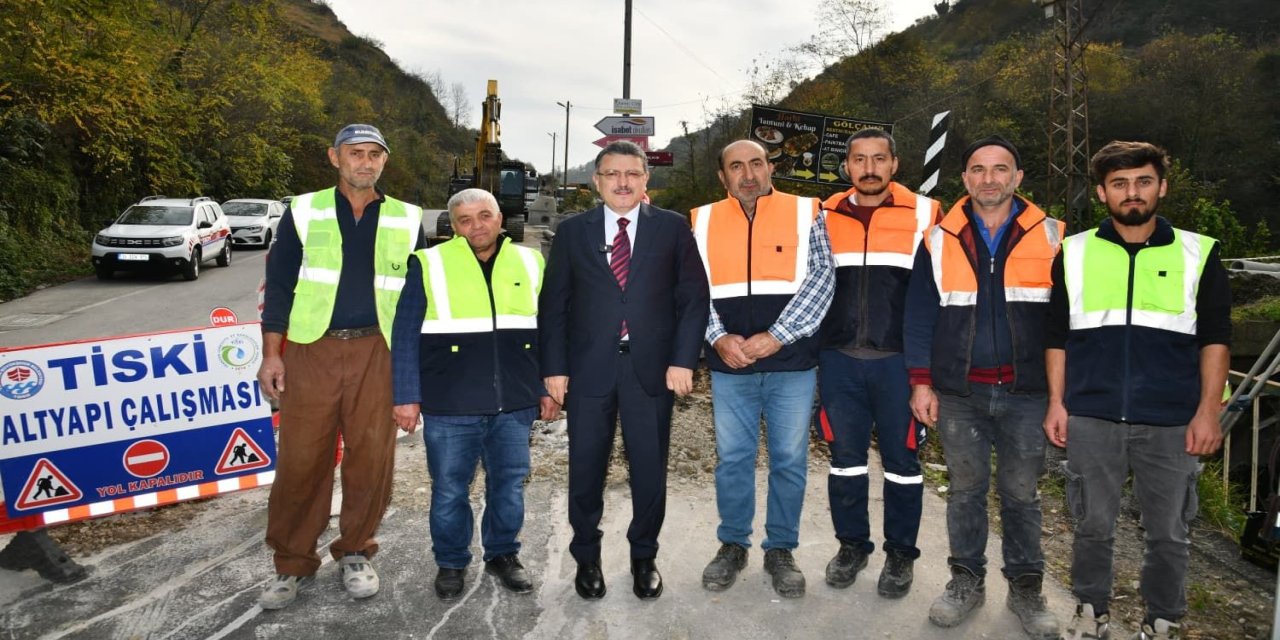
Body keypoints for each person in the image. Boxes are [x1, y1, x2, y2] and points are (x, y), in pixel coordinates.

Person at [1045, 141, 1231, 640]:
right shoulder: (1074, 251)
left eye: (1143, 181)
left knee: (1169, 532)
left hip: (1172, 418)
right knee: (1091, 524)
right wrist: (1058, 403)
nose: (1133, 193)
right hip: (1093, 413)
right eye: (1120, 184)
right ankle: (1089, 611)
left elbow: (1215, 341)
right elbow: (1057, 338)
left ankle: (1163, 618)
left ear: (1161, 187)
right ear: (1103, 192)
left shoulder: (1200, 252)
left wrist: (1207, 412)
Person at [256, 124, 424, 610]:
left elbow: (415, 298)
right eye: (355, 153)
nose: (365, 162)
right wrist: (272, 353)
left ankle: (355, 550)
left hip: (379, 351)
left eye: (374, 154)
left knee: (372, 458)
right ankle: (291, 562)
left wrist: (412, 370)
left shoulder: (406, 217)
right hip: (311, 350)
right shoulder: (304, 210)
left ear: (384, 162)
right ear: (334, 158)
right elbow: (280, 284)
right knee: (302, 459)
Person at [904, 135, 1062, 638]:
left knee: (1021, 492)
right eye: (978, 169)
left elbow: (1069, 322)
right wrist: (922, 382)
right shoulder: (937, 238)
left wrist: (1063, 393)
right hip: (959, 392)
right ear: (965, 178)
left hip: (1027, 391)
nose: (988, 178)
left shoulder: (1055, 235)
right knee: (966, 491)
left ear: (1018, 177)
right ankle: (966, 581)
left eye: (1000, 169)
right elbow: (919, 317)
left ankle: (1026, 589)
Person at [538, 140, 709, 601]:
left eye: (632, 173)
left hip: (651, 371)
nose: (623, 182)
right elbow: (553, 306)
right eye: (612, 174)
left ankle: (644, 556)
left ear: (645, 179)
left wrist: (682, 359)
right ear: (597, 181)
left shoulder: (673, 228)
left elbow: (694, 300)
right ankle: (587, 558)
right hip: (589, 371)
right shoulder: (573, 232)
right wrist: (554, 368)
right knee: (586, 468)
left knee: (649, 470)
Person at [390, 188, 558, 601]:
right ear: (453, 226)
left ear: (500, 218)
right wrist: (405, 395)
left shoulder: (530, 260)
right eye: (465, 220)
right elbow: (404, 334)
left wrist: (547, 387)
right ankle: (450, 561)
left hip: (514, 403)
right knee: (449, 489)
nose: (476, 226)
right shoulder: (429, 263)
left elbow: (549, 331)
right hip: (450, 403)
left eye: (484, 216)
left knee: (509, 484)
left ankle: (503, 554)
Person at [693, 139, 835, 599]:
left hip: (791, 363)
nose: (748, 174)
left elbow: (821, 278)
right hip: (729, 364)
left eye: (756, 163)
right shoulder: (702, 219)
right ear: (723, 176)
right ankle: (733, 544)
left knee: (789, 460)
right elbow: (691, 289)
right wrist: (716, 336)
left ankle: (781, 550)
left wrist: (778, 335)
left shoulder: (808, 211)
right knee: (733, 460)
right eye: (736, 166)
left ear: (770, 167)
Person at [816, 128, 941, 598]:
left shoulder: (927, 214)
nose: (869, 168)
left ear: (895, 164)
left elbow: (940, 298)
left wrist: (927, 373)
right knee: (845, 462)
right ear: (847, 166)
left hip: (899, 364)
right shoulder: (823, 214)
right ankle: (852, 545)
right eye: (859, 159)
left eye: (879, 159)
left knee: (903, 463)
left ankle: (900, 555)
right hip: (838, 361)